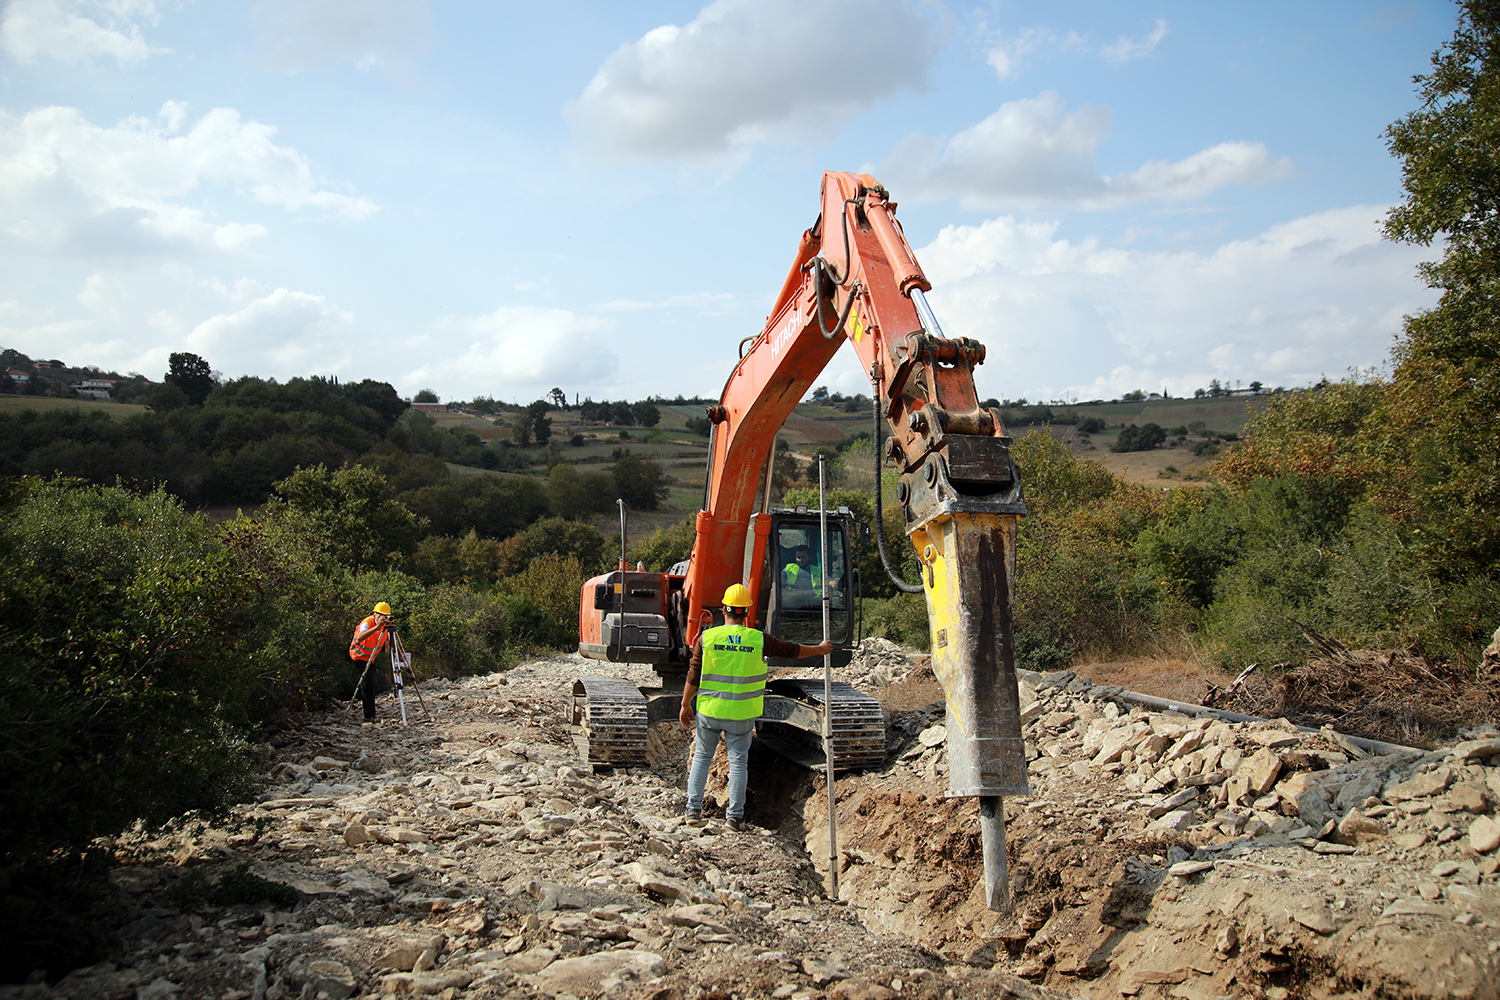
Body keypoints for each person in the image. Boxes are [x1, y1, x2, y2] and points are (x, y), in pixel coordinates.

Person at [679, 584, 833, 831]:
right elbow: (791, 650)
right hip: (742, 714)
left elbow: (693, 676)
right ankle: (734, 817)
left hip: (710, 712)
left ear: (724, 609)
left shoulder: (707, 638)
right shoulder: (758, 639)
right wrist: (820, 649)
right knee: (739, 762)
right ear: (747, 612)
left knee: (702, 758)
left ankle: (693, 811)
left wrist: (685, 704)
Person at [349, 602, 394, 721]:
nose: (384, 618)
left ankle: (368, 710)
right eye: (382, 615)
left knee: (369, 679)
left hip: (370, 657)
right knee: (367, 680)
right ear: (375, 614)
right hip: (358, 655)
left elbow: (388, 643)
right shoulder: (367, 623)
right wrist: (376, 627)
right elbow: (360, 637)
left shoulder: (385, 626)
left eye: (386, 616)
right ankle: (369, 715)